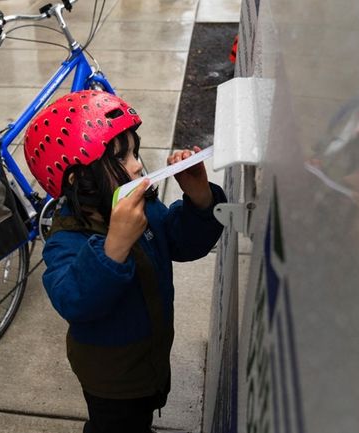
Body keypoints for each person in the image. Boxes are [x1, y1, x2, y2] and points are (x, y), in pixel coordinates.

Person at [23, 90, 226, 433]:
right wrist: (115, 245)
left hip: (149, 357)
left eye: (134, 151)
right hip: (111, 378)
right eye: (121, 158)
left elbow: (183, 243)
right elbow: (74, 300)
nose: (136, 164)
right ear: (78, 178)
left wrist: (199, 199)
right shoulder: (66, 239)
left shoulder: (142, 208)